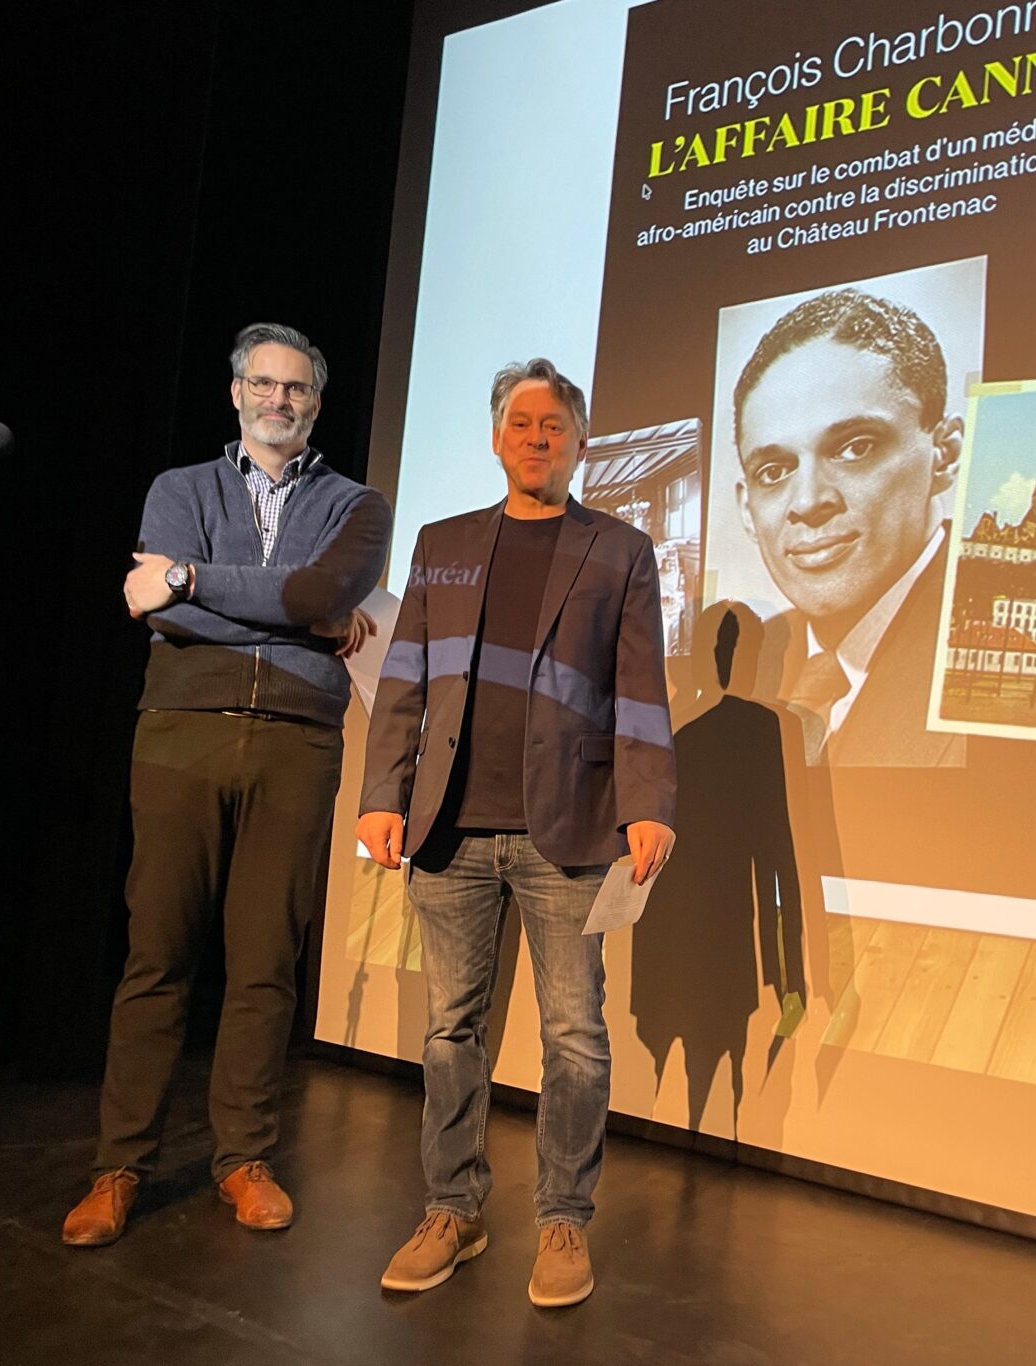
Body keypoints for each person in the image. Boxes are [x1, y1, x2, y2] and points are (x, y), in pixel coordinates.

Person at [61, 322, 391, 1247]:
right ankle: (118, 1167)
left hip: (297, 742)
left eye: (295, 388)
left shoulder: (356, 504)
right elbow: (164, 618)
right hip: (179, 735)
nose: (278, 399)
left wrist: (194, 580)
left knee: (264, 964)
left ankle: (244, 1159)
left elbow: (316, 594)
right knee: (156, 957)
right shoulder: (179, 488)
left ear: (316, 403)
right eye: (262, 383)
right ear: (236, 392)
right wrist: (301, 619)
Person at [357, 358, 676, 1308]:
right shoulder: (443, 543)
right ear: (497, 438)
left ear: (579, 442)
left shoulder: (619, 550)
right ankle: (452, 1208)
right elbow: (406, 677)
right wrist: (383, 791)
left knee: (575, 1037)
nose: (537, 438)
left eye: (554, 426)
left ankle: (563, 1222)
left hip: (569, 834)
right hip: (449, 829)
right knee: (452, 1030)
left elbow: (639, 690)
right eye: (521, 423)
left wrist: (649, 799)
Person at [732, 287, 966, 766]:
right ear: (747, 510)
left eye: (855, 447)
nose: (809, 501)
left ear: (944, 455)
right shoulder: (738, 670)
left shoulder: (1002, 663)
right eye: (774, 472)